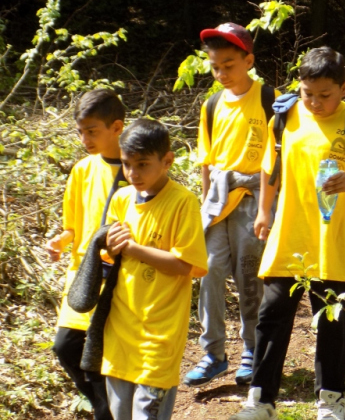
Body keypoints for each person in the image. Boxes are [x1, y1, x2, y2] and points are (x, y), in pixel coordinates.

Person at [230, 47, 345, 420]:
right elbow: (271, 170)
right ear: (298, 87)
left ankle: (331, 399)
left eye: (326, 95)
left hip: (335, 238)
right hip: (289, 234)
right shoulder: (284, 118)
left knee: (333, 318)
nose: (316, 103)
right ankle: (261, 398)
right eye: (308, 94)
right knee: (273, 313)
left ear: (344, 87)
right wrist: (264, 211)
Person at [184, 23, 280, 387]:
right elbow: (208, 163)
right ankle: (213, 354)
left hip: (253, 202)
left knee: (248, 277)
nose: (222, 73)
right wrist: (207, 205)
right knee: (208, 272)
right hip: (218, 204)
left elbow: (280, 160)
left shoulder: (270, 99)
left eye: (229, 64)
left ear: (248, 60)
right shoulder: (211, 106)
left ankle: (252, 350)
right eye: (215, 67)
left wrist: (266, 211)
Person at [102, 119, 208, 420]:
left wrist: (134, 249)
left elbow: (188, 265)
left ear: (167, 161)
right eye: (127, 164)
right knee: (120, 413)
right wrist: (111, 246)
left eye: (142, 164)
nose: (133, 174)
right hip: (121, 329)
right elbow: (109, 256)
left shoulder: (183, 203)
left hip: (159, 333)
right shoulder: (121, 199)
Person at [46, 89, 125, 420]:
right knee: (65, 346)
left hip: (118, 281)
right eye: (80, 131)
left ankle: (113, 412)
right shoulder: (82, 170)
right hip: (82, 276)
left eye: (92, 131)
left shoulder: (138, 170)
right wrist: (60, 240)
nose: (84, 138)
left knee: (101, 357)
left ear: (116, 127)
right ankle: (105, 409)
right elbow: (72, 226)